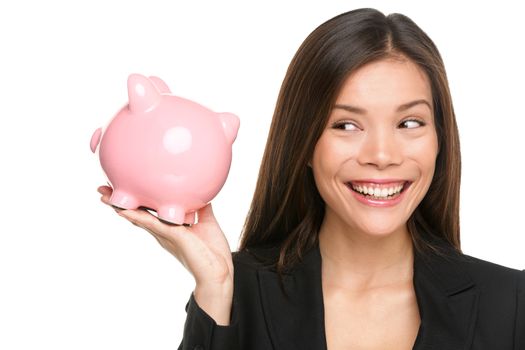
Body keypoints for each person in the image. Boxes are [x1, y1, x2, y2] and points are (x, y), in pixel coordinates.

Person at [97, 8, 525, 350]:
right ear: (303, 143)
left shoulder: (510, 305)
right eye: (346, 126)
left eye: (410, 123)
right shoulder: (236, 295)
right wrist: (218, 287)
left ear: (439, 140)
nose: (382, 156)